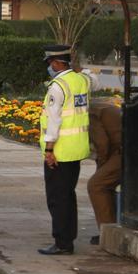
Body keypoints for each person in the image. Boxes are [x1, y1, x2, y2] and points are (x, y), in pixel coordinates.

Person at [38, 45, 100, 255]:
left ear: (56, 63)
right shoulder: (80, 80)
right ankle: (67, 239)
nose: (48, 67)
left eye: (49, 63)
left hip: (60, 152)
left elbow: (54, 120)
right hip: (77, 149)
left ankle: (63, 243)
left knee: (57, 198)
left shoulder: (58, 86)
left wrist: (49, 149)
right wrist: (81, 70)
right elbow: (94, 79)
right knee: (68, 195)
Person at [87, 101, 122, 245]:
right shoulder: (100, 106)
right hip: (131, 148)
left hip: (124, 152)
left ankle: (107, 233)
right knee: (105, 184)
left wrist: (101, 167)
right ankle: (112, 226)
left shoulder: (91, 114)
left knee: (96, 185)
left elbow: (102, 145)